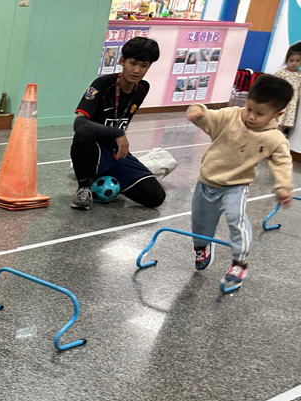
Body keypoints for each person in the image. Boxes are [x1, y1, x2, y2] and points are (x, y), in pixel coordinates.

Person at [186, 75, 294, 292]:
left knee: (237, 220)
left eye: (260, 114)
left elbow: (282, 163)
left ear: (278, 114)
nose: (251, 117)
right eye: (249, 109)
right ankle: (202, 247)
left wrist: (283, 186)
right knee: (199, 224)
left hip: (236, 187)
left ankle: (240, 263)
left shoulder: (274, 138)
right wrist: (198, 112)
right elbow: (210, 118)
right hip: (206, 182)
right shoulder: (231, 116)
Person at [70, 36, 166, 210]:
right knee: (83, 132)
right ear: (122, 61)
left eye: (143, 66)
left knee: (155, 197)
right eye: (133, 63)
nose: (136, 70)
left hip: (117, 153)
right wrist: (117, 133)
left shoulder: (143, 88)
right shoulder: (102, 84)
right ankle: (84, 187)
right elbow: (79, 123)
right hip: (94, 150)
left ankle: (103, 179)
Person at [271, 41, 301, 138]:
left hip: (292, 105)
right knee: (276, 121)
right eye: (291, 60)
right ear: (286, 60)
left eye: (298, 61)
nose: (294, 63)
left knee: (285, 124)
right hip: (282, 102)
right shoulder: (281, 73)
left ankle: (279, 137)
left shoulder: (299, 75)